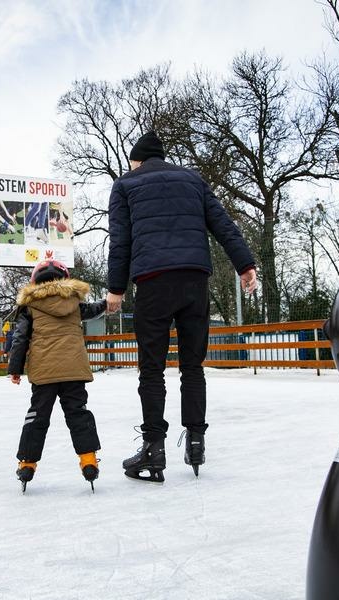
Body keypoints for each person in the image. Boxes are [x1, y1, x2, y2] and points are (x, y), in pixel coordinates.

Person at [106, 130, 258, 483]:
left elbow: (121, 239)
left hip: (154, 282)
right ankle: (196, 441)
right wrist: (245, 266)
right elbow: (223, 224)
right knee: (193, 366)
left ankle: (154, 448)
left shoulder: (126, 184)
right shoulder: (192, 179)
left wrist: (116, 288)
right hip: (194, 281)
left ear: (138, 160)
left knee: (152, 369)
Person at [8, 259, 107, 492]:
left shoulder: (30, 307)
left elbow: (20, 339)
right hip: (73, 370)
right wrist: (107, 303)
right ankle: (88, 460)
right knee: (78, 414)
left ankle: (27, 464)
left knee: (37, 416)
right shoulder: (74, 302)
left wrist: (15, 368)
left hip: (44, 372)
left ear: (34, 282)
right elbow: (94, 310)